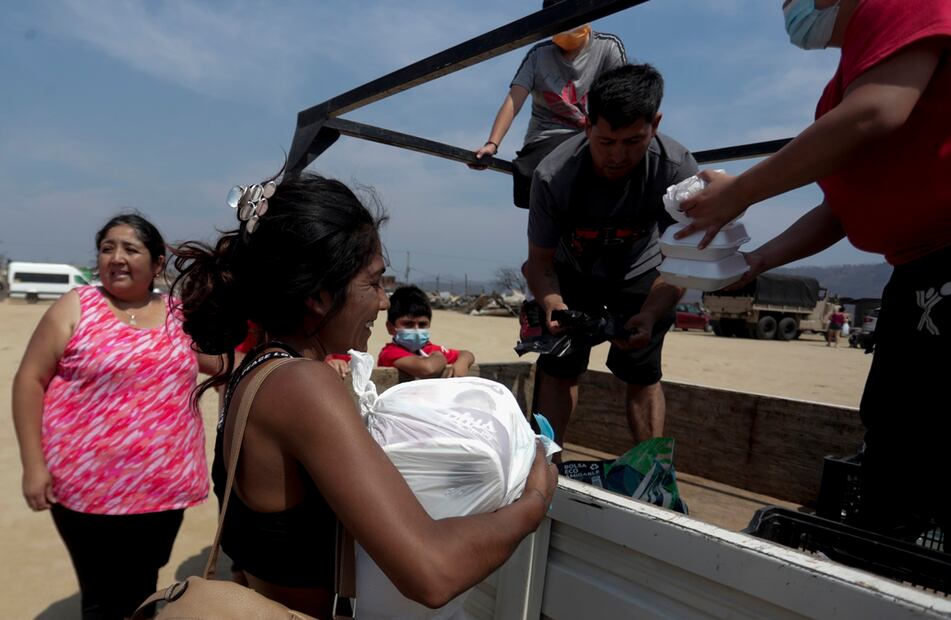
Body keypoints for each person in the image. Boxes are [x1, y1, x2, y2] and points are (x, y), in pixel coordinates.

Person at [171, 172, 557, 617]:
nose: (383, 301)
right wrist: (534, 502)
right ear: (319, 295)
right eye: (373, 283)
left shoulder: (256, 373)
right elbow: (433, 573)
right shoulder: (302, 386)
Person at [678, 0, 950, 542]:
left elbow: (875, 113)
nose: (789, 7)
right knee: (893, 422)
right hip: (913, 271)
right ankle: (891, 548)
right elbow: (840, 209)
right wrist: (758, 260)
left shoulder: (898, 4)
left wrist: (741, 192)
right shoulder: (843, 86)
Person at [11, 213, 222, 620]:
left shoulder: (180, 315)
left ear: (157, 263)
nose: (117, 257)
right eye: (107, 248)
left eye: (130, 249)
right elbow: (29, 380)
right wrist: (33, 466)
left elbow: (223, 365)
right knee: (102, 596)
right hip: (86, 488)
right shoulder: (76, 306)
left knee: (143, 584)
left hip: (162, 488)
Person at [523, 63, 698, 452]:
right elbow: (539, 261)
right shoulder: (553, 175)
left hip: (642, 273)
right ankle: (546, 464)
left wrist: (651, 313)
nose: (618, 155)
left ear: (655, 124)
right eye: (606, 141)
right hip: (571, 272)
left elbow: (683, 263)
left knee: (643, 375)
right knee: (559, 368)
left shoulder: (677, 170)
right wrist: (552, 303)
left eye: (633, 141)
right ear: (587, 126)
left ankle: (654, 470)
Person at [470, 0, 627, 208]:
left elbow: (622, 100)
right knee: (539, 177)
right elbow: (513, 100)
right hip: (547, 138)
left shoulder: (607, 47)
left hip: (591, 137)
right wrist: (492, 144)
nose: (567, 27)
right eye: (560, 22)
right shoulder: (539, 55)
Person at [377, 285, 476, 379]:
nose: (416, 330)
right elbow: (429, 368)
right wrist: (440, 356)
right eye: (408, 324)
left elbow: (466, 354)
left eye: (422, 324)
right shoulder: (389, 353)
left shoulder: (429, 349)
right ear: (390, 327)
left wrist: (462, 363)